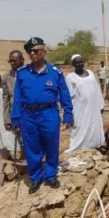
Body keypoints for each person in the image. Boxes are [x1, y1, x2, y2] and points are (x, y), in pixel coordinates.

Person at [11, 37, 73, 194]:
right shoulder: (22, 73)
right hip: (28, 115)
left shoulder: (55, 73)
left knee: (51, 145)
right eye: (29, 51)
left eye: (36, 50)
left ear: (44, 52)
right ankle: (36, 178)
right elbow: (17, 97)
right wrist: (16, 118)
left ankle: (51, 175)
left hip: (49, 113)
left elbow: (64, 94)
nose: (32, 53)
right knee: (32, 148)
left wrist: (67, 114)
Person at [65, 54, 105, 153]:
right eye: (77, 62)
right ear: (73, 64)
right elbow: (68, 96)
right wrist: (69, 112)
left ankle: (94, 145)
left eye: (81, 61)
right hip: (79, 108)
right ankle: (80, 148)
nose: (80, 64)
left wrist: (101, 104)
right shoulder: (70, 77)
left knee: (94, 124)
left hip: (93, 106)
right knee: (81, 126)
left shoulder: (90, 73)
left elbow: (97, 89)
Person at [2, 50, 24, 131]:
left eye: (14, 61)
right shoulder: (6, 77)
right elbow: (6, 99)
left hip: (31, 115)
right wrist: (7, 120)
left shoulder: (31, 74)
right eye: (10, 61)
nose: (12, 63)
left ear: (22, 60)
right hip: (16, 116)